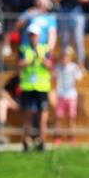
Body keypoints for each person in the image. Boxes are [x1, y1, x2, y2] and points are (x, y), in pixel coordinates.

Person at [18, 24, 53, 152]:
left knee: (42, 117)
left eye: (35, 35)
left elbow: (50, 65)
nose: (33, 37)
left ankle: (43, 142)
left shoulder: (45, 49)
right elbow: (19, 64)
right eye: (31, 35)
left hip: (41, 87)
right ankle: (25, 142)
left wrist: (40, 57)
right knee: (27, 116)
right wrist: (30, 60)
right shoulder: (23, 48)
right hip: (27, 86)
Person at [53, 47, 83, 146]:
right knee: (59, 117)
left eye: (66, 56)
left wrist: (79, 69)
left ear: (70, 57)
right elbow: (53, 77)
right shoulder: (57, 67)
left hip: (71, 95)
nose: (64, 58)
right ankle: (57, 137)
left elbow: (79, 78)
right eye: (63, 56)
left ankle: (71, 137)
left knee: (71, 117)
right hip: (61, 95)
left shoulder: (73, 67)